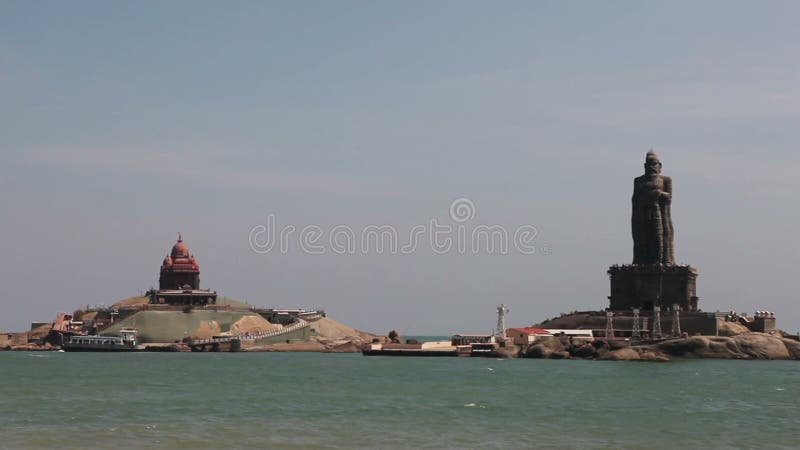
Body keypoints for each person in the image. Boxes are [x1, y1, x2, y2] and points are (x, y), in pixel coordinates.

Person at [632, 150, 675, 265]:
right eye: (649, 164)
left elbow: (669, 198)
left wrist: (658, 194)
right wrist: (651, 196)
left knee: (659, 236)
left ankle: (661, 260)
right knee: (643, 237)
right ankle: (643, 260)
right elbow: (635, 199)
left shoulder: (665, 180)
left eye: (654, 163)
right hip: (643, 213)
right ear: (645, 166)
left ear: (660, 166)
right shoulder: (639, 181)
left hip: (659, 213)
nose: (652, 166)